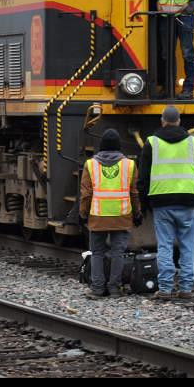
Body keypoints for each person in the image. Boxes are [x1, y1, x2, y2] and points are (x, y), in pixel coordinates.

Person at [137, 105, 194, 299]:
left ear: (162, 121)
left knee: (165, 245)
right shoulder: (192, 142)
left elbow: (143, 178)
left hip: (161, 202)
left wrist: (143, 202)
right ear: (179, 121)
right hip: (188, 200)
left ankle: (165, 288)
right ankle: (186, 288)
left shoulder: (151, 143)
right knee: (187, 246)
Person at [79, 128, 142, 299]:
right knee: (118, 252)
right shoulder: (129, 165)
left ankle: (98, 289)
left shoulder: (90, 164)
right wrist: (137, 213)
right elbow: (134, 193)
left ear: (101, 147)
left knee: (97, 252)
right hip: (121, 216)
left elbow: (86, 194)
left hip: (98, 216)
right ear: (118, 147)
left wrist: (82, 214)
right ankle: (115, 288)